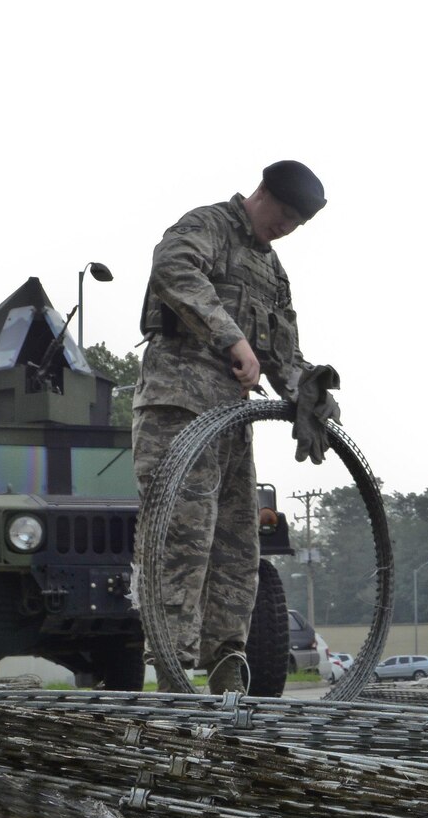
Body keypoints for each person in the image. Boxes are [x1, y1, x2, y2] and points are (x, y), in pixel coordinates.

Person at [133, 160, 339, 694]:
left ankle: (227, 669)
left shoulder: (272, 271)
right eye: (285, 214)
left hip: (231, 422)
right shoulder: (209, 226)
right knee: (183, 541)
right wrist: (230, 337)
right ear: (263, 193)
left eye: (298, 223)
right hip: (177, 413)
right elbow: (173, 266)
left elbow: (282, 352)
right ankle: (173, 675)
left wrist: (305, 393)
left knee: (237, 548)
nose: (286, 228)